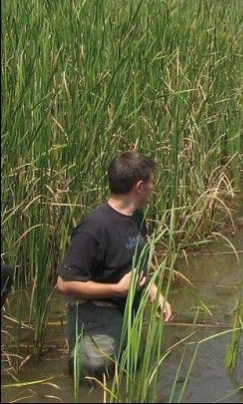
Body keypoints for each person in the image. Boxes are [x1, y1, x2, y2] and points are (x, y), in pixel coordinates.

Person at [55, 150, 173, 380]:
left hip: (127, 317)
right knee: (94, 387)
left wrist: (154, 293)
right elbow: (64, 284)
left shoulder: (136, 218)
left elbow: (132, 267)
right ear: (139, 186)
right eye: (151, 182)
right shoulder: (93, 228)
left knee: (124, 381)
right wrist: (117, 289)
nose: (153, 188)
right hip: (96, 323)